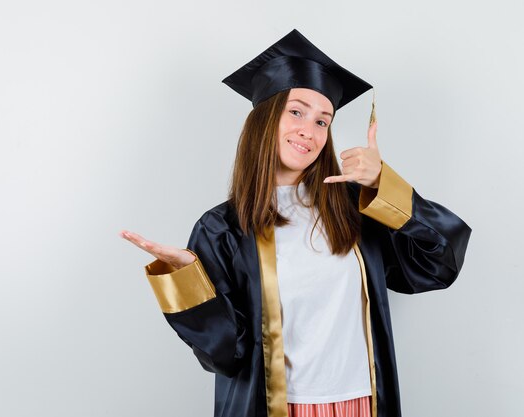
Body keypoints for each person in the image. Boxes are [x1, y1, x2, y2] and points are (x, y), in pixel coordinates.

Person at [120, 29, 471, 417]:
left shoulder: (356, 211)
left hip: (360, 403)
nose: (310, 130)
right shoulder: (221, 229)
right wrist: (187, 280)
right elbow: (225, 354)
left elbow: (440, 262)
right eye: (297, 111)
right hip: (273, 408)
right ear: (266, 118)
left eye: (324, 121)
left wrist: (383, 183)